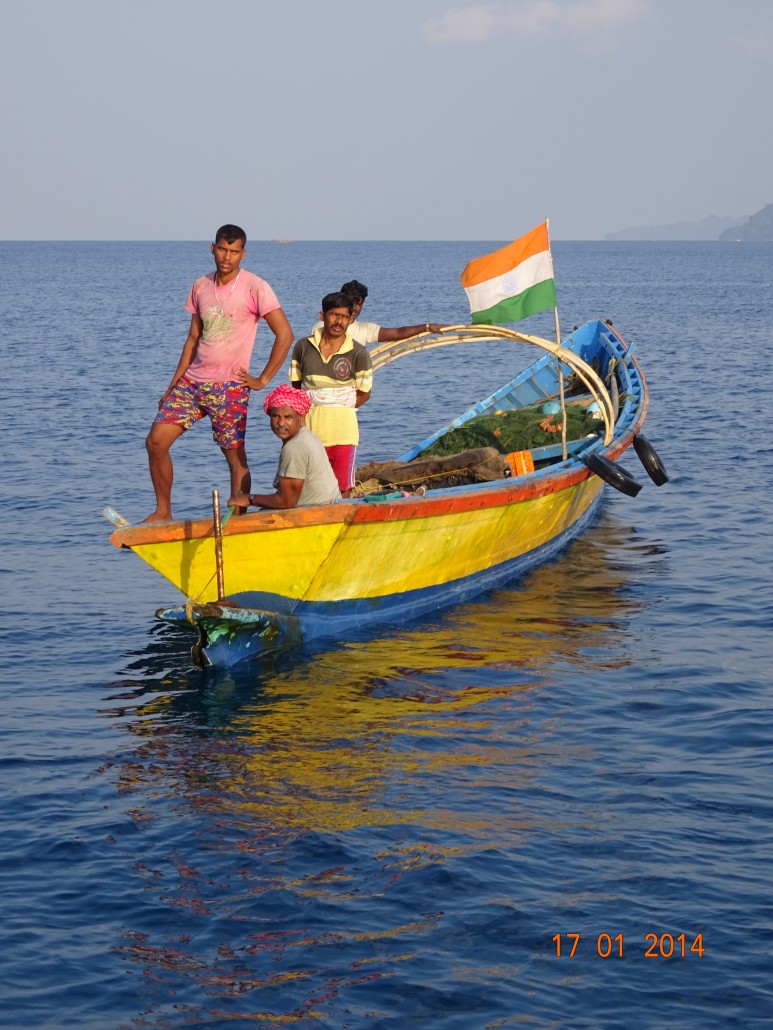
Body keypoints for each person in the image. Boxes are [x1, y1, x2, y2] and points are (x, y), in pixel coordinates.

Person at [144, 224, 293, 522]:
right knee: (155, 442)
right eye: (223, 249)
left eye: (234, 251)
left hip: (229, 387)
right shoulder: (200, 285)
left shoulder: (255, 287)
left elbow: (285, 335)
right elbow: (192, 339)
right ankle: (163, 511)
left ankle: (235, 519)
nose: (227, 257)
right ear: (212, 248)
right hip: (192, 383)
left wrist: (261, 380)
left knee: (234, 457)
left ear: (243, 254)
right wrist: (172, 386)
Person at [292, 292, 372, 495]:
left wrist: (336, 408)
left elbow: (364, 394)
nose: (339, 321)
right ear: (322, 316)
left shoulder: (359, 353)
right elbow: (296, 390)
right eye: (334, 315)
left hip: (343, 434)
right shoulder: (302, 347)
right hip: (309, 433)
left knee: (342, 490)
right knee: (305, 489)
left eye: (344, 317)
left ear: (350, 320)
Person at [229, 385, 341, 509]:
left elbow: (287, 502)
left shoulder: (294, 448)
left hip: (318, 513)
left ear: (301, 418)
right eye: (275, 416)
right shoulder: (307, 436)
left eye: (288, 417)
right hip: (329, 505)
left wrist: (249, 499)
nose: (281, 423)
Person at [311, 279, 446, 344]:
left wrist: (427, 327)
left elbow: (398, 333)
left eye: (359, 304)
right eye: (351, 303)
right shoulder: (323, 327)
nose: (355, 308)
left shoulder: (365, 329)